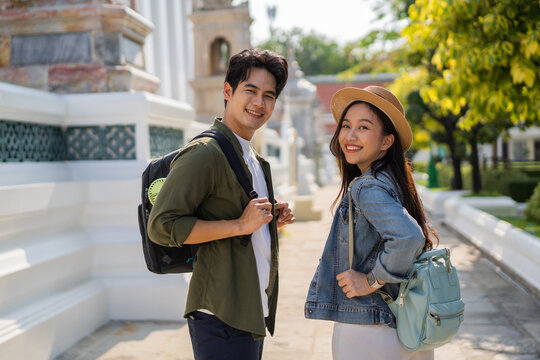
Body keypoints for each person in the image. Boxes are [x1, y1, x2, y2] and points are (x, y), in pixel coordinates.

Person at [148, 48, 295, 360]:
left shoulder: (253, 158)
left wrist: (269, 224)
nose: (259, 103)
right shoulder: (205, 153)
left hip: (251, 309)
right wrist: (241, 225)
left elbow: (240, 224)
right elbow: (162, 226)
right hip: (221, 315)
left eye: (269, 95)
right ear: (228, 91)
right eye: (250, 91)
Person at [305, 86, 439, 360]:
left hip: (368, 326)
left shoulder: (367, 187)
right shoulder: (395, 181)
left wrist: (370, 280)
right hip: (411, 323)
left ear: (386, 141)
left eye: (363, 128)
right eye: (346, 126)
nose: (350, 136)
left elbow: (408, 237)